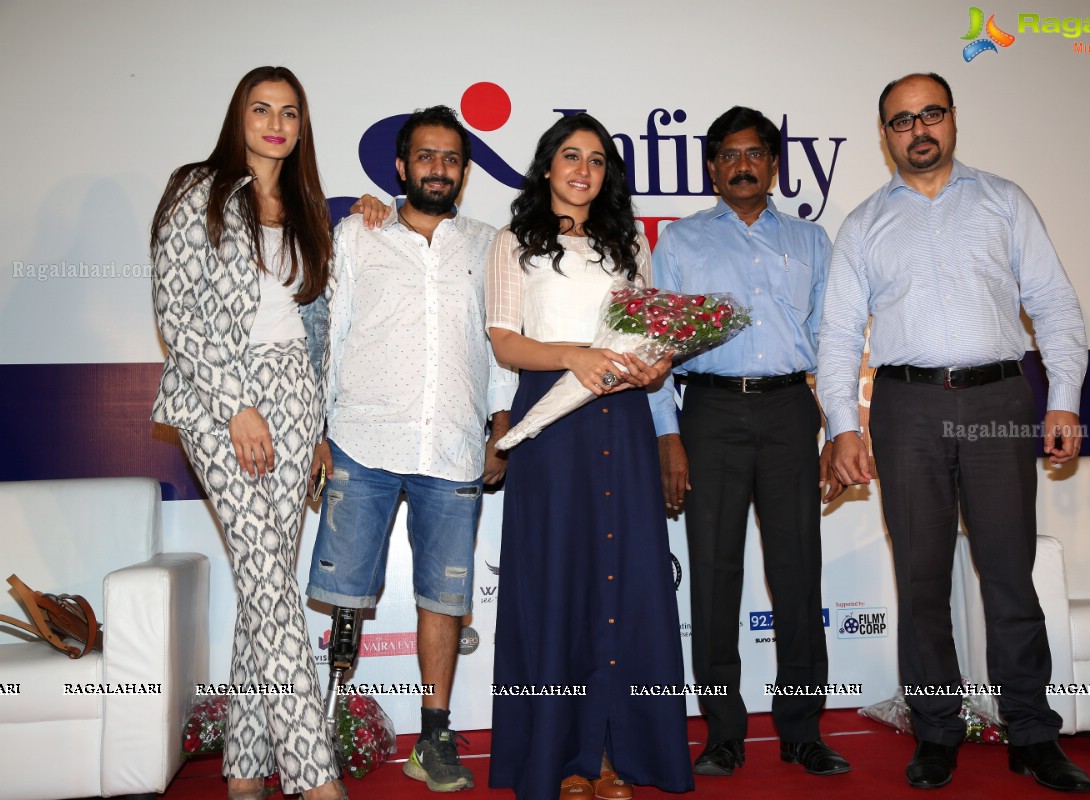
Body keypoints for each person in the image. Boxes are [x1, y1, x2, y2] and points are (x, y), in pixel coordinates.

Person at [817, 72, 1090, 793]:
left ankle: (1033, 734)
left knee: (1008, 573)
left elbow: (1057, 308)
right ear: (885, 136)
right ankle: (936, 732)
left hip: (1000, 396)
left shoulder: (1005, 202)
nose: (918, 130)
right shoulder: (866, 223)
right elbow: (840, 336)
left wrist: (1062, 399)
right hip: (905, 410)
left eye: (929, 114)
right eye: (902, 121)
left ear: (953, 119)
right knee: (921, 580)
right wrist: (844, 426)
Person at [303, 105, 516, 794]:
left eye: (452, 159)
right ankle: (326, 729)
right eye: (426, 156)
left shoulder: (489, 244)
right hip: (362, 441)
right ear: (401, 167)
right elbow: (328, 335)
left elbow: (502, 342)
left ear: (463, 171)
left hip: (453, 444)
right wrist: (316, 430)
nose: (439, 169)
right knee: (345, 597)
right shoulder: (359, 235)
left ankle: (434, 735)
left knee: (444, 599)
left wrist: (499, 423)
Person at [150, 66, 347, 800]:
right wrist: (236, 403)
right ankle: (314, 778)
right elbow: (179, 313)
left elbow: (312, 323)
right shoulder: (198, 189)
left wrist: (318, 420)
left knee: (269, 587)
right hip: (216, 395)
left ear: (301, 126)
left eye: (289, 112)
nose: (275, 123)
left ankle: (242, 776)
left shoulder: (304, 205)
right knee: (267, 575)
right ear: (239, 117)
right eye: (260, 109)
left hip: (295, 392)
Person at [486, 113, 694, 800]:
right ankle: (560, 759)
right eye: (570, 156)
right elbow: (505, 345)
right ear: (548, 166)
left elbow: (645, 335)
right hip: (553, 423)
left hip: (623, 419)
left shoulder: (629, 243)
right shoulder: (513, 243)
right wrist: (574, 356)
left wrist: (655, 360)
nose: (584, 169)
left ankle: (614, 755)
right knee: (558, 583)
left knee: (625, 581)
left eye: (598, 160)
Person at [647, 106, 849, 781]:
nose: (742, 164)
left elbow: (833, 345)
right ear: (711, 167)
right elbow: (657, 348)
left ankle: (801, 728)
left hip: (794, 410)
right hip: (708, 412)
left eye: (755, 152)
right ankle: (723, 733)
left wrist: (840, 428)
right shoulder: (679, 243)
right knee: (713, 576)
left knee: (797, 574)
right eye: (729, 154)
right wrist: (668, 436)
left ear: (772, 163)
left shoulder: (812, 242)